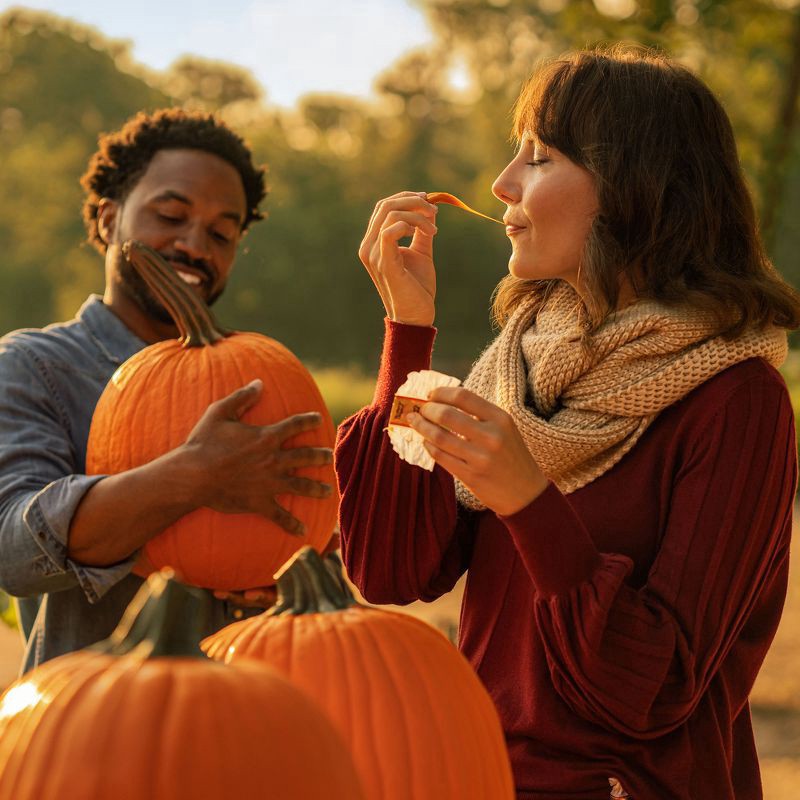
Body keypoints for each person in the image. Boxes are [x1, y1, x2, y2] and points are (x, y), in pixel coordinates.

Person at [336, 46, 800, 799]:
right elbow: (393, 567)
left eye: (540, 157)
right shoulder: (516, 366)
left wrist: (527, 498)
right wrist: (409, 327)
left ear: (631, 192)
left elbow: (655, 687)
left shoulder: (736, 400)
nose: (502, 183)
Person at [0, 108, 334, 673]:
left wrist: (288, 580)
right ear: (109, 219)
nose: (194, 245)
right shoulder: (36, 365)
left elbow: (308, 548)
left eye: (221, 233)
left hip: (248, 725)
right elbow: (13, 550)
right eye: (171, 215)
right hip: (96, 730)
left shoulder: (260, 378)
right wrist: (192, 476)